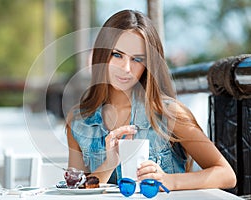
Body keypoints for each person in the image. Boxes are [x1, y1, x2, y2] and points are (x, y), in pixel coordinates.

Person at [65, 9, 236, 191]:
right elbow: (75, 190)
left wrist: (168, 180)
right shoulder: (78, 121)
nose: (126, 68)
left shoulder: (168, 114)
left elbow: (226, 174)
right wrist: (109, 163)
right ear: (102, 55)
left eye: (137, 59)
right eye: (117, 55)